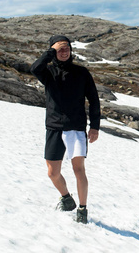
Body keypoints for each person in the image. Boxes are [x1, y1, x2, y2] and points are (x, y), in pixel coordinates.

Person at [30, 35, 100, 224]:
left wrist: (94, 126)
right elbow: (34, 68)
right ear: (52, 51)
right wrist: (51, 51)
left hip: (76, 129)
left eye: (66, 48)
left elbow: (94, 99)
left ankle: (82, 209)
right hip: (54, 127)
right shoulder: (48, 72)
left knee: (79, 170)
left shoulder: (82, 72)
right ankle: (67, 198)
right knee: (52, 172)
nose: (64, 52)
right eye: (59, 49)